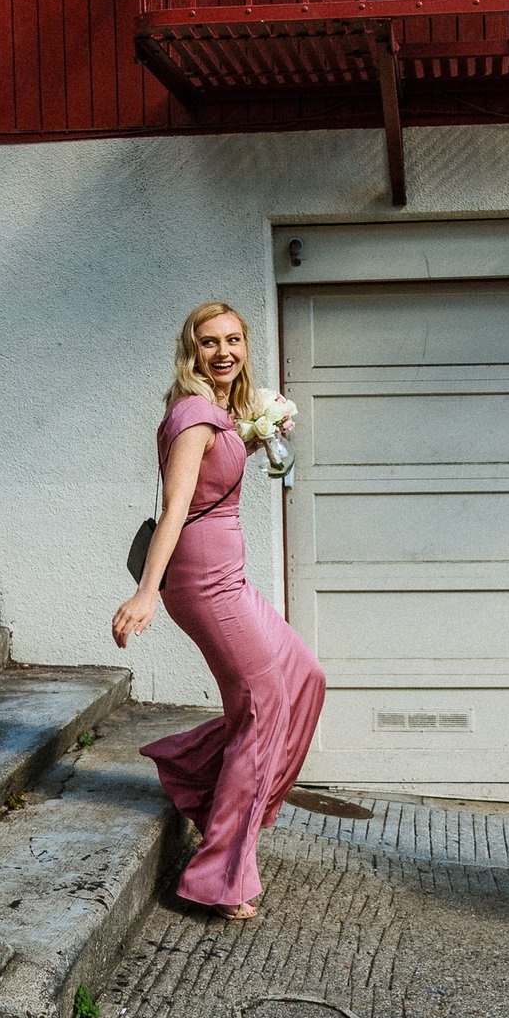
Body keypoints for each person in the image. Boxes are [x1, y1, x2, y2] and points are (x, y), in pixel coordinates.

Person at [112, 302, 326, 921]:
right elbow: (176, 504)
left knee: (304, 676)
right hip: (202, 582)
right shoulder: (193, 415)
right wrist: (146, 591)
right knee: (263, 705)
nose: (223, 352)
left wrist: (256, 435)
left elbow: (213, 480)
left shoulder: (218, 413)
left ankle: (198, 777)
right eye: (210, 343)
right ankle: (221, 872)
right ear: (192, 352)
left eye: (233, 340)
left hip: (227, 576)